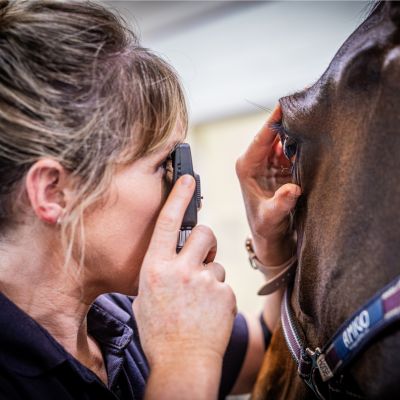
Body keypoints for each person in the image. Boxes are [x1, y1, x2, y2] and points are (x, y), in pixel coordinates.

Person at [0, 1, 301, 399]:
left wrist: (272, 247)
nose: (189, 188)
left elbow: (269, 359)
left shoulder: (124, 316)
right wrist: (185, 355)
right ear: (55, 192)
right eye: (165, 166)